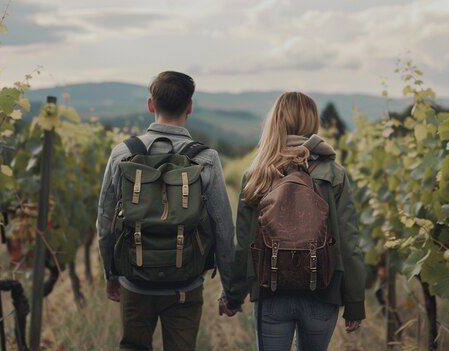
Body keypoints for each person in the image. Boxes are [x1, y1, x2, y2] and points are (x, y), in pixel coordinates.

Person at [96, 71, 237, 351]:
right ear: (190, 106)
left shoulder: (122, 154)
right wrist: (230, 291)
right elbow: (223, 228)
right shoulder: (206, 159)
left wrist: (110, 274)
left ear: (151, 105)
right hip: (185, 286)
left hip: (135, 283)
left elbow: (105, 222)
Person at [223, 92, 365, 351]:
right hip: (323, 292)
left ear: (275, 121)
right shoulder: (334, 174)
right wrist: (354, 304)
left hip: (272, 291)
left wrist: (233, 297)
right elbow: (349, 242)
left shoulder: (257, 174)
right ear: (312, 122)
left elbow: (243, 245)